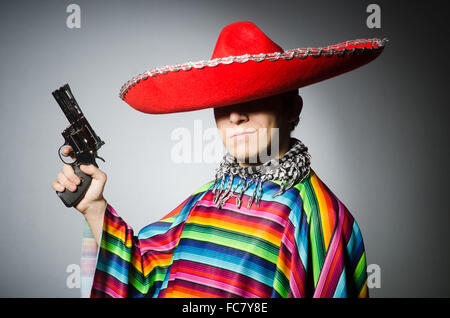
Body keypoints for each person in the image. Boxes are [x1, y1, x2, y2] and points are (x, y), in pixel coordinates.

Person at [51, 21, 386, 298]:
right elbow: (144, 278)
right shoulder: (205, 200)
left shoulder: (321, 219)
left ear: (291, 109)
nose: (235, 117)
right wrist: (94, 207)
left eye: (254, 98)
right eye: (223, 104)